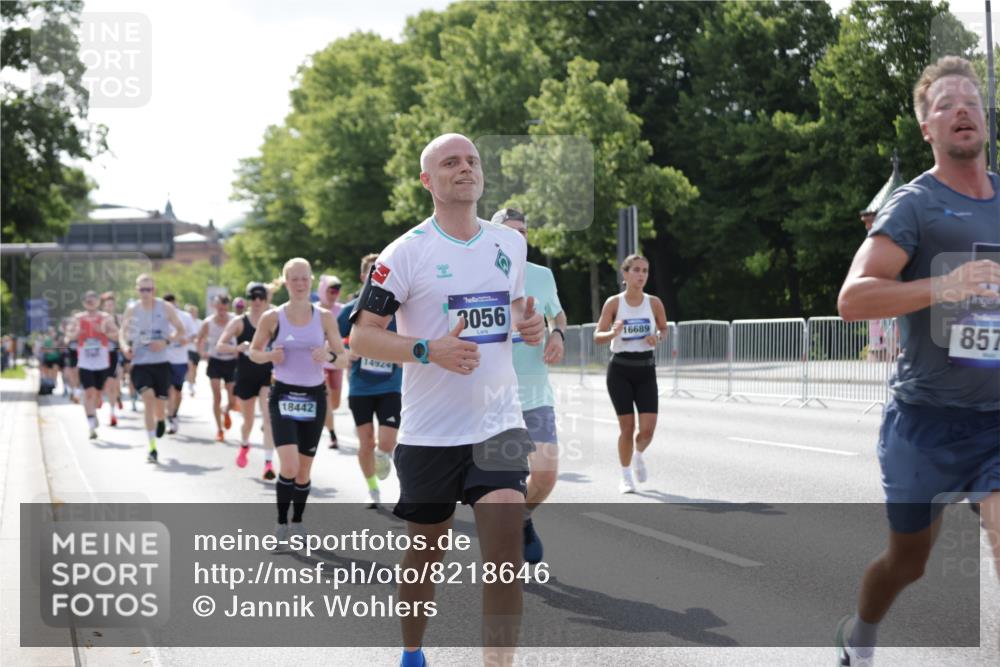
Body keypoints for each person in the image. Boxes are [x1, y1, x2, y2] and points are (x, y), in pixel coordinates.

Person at [349, 133, 545, 667]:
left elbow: (523, 311)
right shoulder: (404, 253)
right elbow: (362, 337)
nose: (465, 168)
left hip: (498, 426)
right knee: (425, 557)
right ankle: (412, 652)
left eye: (472, 161)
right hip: (431, 432)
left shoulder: (510, 244)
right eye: (450, 162)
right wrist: (426, 349)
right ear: (427, 180)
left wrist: (533, 323)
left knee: (505, 558)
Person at [835, 56, 1000, 667]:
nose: (962, 108)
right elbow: (853, 299)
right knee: (908, 563)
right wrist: (944, 286)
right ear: (927, 129)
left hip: (995, 419)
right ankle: (860, 633)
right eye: (945, 104)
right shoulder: (914, 205)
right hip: (926, 423)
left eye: (972, 101)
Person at [250, 259, 349, 548]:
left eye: (304, 278)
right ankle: (281, 525)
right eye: (294, 279)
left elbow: (343, 358)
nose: (300, 284)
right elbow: (254, 352)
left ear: (311, 280)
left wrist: (328, 357)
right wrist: (270, 356)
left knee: (305, 470)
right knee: (290, 466)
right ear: (285, 282)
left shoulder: (325, 317)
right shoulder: (273, 317)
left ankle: (298, 522)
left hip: (314, 397)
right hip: (283, 395)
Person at [491, 208, 567, 565]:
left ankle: (522, 518)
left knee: (546, 475)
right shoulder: (476, 276)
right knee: (499, 486)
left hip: (536, 395)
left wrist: (558, 334)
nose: (517, 237)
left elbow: (558, 313)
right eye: (509, 232)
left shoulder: (542, 275)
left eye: (522, 231)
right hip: (491, 398)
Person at [594, 254, 668, 494]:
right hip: (620, 370)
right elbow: (597, 336)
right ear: (625, 274)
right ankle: (625, 475)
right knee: (627, 428)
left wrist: (655, 337)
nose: (641, 275)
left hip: (646, 369)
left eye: (645, 271)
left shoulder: (654, 302)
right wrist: (613, 333)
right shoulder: (614, 303)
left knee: (648, 430)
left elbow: (664, 329)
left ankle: (638, 455)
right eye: (636, 270)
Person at [337, 253, 402, 508]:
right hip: (360, 387)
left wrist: (402, 356)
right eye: (371, 273)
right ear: (364, 277)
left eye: (380, 273)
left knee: (386, 442)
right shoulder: (348, 311)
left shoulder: (397, 307)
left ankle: (385, 459)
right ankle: (373, 489)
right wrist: (345, 352)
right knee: (366, 442)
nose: (376, 277)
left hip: (390, 386)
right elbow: (329, 340)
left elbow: (415, 338)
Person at [120, 274, 188, 462]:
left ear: (154, 290)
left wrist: (166, 341)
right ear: (137, 290)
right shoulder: (132, 309)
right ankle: (152, 448)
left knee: (160, 403)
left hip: (161, 363)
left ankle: (161, 420)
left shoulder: (165, 307)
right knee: (148, 399)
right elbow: (123, 333)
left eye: (148, 289)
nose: (145, 293)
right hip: (140, 363)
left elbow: (180, 331)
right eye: (141, 289)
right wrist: (125, 347)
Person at [217, 282, 276, 480]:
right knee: (248, 421)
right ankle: (244, 444)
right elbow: (220, 345)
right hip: (245, 376)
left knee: (268, 418)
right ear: (249, 300)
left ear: (267, 299)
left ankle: (268, 463)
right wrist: (237, 348)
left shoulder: (274, 320)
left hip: (267, 375)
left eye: (261, 297)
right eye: (253, 297)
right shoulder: (240, 322)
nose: (257, 301)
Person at [66, 291, 118, 439]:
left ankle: (93, 413)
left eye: (93, 300)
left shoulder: (105, 318)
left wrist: (104, 332)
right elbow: (68, 336)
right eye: (87, 301)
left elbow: (117, 335)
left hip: (102, 361)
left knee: (97, 393)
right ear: (83, 303)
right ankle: (90, 424)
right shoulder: (78, 318)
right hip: (85, 361)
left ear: (97, 302)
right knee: (88, 392)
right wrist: (76, 333)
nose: (90, 303)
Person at [198, 295, 237, 442]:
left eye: (225, 309)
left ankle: (226, 411)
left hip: (231, 361)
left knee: (232, 400)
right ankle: (219, 430)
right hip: (215, 361)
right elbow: (200, 339)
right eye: (220, 308)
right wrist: (202, 353)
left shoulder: (234, 319)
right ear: (215, 306)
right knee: (217, 396)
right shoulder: (208, 322)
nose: (222, 312)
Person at [162, 294, 196, 434]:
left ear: (175, 303)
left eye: (172, 303)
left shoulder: (185, 317)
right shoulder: (159, 318)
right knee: (169, 390)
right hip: (164, 360)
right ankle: (170, 417)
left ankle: (174, 414)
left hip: (180, 360)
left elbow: (194, 334)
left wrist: (186, 340)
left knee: (177, 392)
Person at [318, 273, 344, 449]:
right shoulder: (314, 311)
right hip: (319, 362)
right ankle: (333, 434)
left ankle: (327, 420)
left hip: (337, 362)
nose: (334, 293)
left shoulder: (343, 310)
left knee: (335, 403)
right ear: (322, 290)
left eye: (337, 290)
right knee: (326, 400)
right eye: (330, 290)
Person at [100, 292, 123, 426]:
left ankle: (112, 412)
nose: (109, 307)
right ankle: (102, 399)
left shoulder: (118, 318)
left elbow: (121, 335)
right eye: (107, 304)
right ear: (103, 306)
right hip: (99, 355)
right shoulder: (98, 318)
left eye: (112, 304)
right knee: (106, 385)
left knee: (114, 383)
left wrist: (108, 334)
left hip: (115, 353)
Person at [184, 304, 201, 396]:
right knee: (190, 367)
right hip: (188, 349)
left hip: (197, 349)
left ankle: (192, 383)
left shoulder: (200, 323)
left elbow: (203, 336)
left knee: (195, 369)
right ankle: (190, 386)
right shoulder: (186, 323)